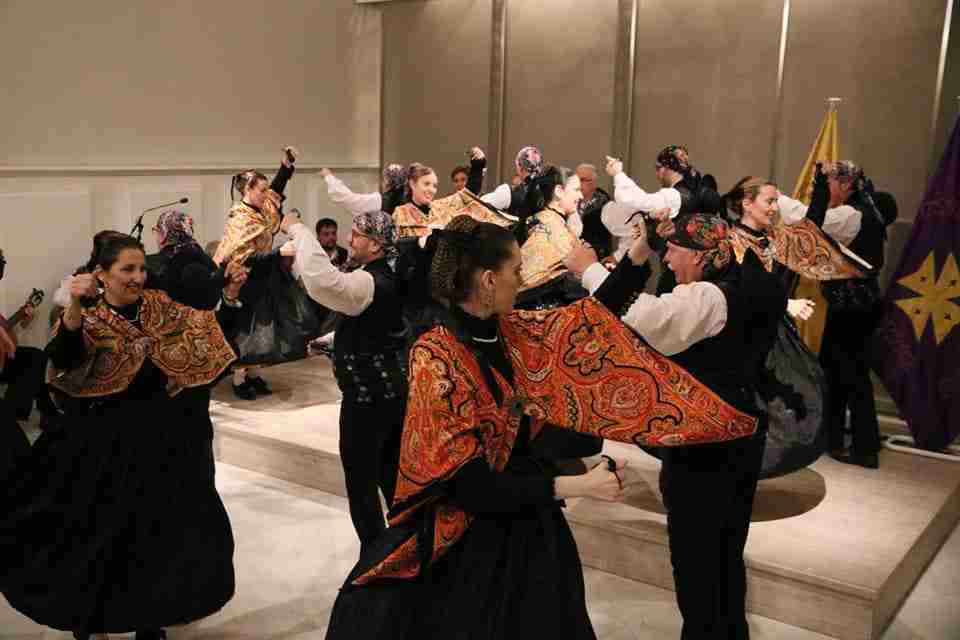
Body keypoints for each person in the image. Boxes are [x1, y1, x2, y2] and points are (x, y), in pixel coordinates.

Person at [323, 214, 761, 639]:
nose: (524, 277)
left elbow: (588, 320)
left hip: (528, 523)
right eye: (516, 269)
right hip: (468, 542)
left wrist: (637, 256)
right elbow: (466, 485)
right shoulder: (436, 357)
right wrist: (577, 487)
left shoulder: (511, 331)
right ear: (489, 281)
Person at [0, 234, 240, 640]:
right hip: (101, 447)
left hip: (160, 445)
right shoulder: (87, 318)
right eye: (127, 269)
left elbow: (207, 338)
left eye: (141, 268)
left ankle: (150, 618)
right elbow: (64, 356)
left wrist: (230, 298)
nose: (138, 277)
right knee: (98, 539)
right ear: (101, 275)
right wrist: (76, 306)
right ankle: (90, 617)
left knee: (156, 538)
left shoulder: (160, 307)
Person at [568, 212, 786, 639]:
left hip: (708, 444)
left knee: (697, 560)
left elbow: (647, 319)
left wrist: (588, 269)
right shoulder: (748, 282)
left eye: (674, 250)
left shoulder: (710, 298)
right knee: (723, 553)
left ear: (703, 256)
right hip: (739, 435)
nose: (666, 260)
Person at [283, 210, 408, 547]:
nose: (350, 239)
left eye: (357, 234)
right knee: (389, 474)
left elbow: (324, 281)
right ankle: (404, 546)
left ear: (377, 243)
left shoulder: (371, 280)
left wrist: (297, 228)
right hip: (390, 394)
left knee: (363, 480)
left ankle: (376, 554)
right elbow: (377, 328)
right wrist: (335, 341)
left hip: (368, 399)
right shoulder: (387, 273)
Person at [778, 162, 897, 468]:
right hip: (861, 304)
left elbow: (812, 225)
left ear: (844, 186)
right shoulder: (867, 210)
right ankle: (835, 438)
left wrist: (776, 199)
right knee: (836, 369)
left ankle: (864, 447)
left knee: (852, 374)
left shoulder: (850, 215)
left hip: (852, 307)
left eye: (828, 183)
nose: (826, 190)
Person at [214, 147, 322, 400]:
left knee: (267, 328)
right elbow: (243, 258)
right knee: (247, 330)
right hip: (244, 281)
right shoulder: (239, 218)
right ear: (247, 190)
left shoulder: (263, 208)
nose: (265, 194)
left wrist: (285, 167)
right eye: (260, 190)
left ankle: (253, 374)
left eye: (264, 189)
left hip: (265, 276)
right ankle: (239, 379)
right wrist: (278, 252)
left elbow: (275, 192)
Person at [513, 165, 588, 310]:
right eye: (576, 190)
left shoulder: (539, 219)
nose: (581, 196)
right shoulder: (553, 226)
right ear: (559, 191)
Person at [575, 163, 611, 256]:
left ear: (593, 182)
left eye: (582, 180)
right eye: (576, 179)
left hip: (594, 256)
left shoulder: (604, 205)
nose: (577, 183)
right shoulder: (570, 200)